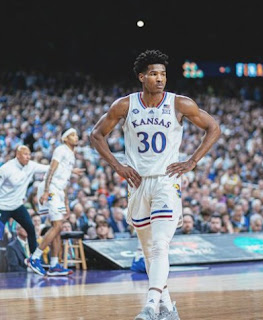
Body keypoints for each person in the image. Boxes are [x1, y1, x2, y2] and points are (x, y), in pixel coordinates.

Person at [90, 49, 220, 320]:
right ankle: (168, 308)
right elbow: (96, 135)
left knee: (160, 245)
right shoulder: (125, 105)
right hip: (137, 184)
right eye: (153, 74)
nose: (159, 79)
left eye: (162, 74)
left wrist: (192, 161)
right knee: (150, 250)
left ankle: (150, 305)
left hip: (166, 181)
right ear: (141, 76)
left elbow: (213, 127)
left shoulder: (180, 103)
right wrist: (118, 167)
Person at [28, 128, 85, 276]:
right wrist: (46, 190)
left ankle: (54, 265)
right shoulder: (61, 149)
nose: (76, 136)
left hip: (58, 190)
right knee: (58, 225)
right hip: (51, 187)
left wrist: (66, 202)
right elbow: (51, 171)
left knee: (57, 227)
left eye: (76, 134)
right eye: (72, 135)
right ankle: (34, 258)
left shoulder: (71, 155)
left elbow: (64, 179)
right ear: (65, 139)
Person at [0, 145, 49, 256]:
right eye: (25, 154)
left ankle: (34, 259)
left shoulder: (31, 166)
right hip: (2, 206)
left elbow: (48, 168)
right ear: (18, 155)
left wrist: (68, 169)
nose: (28, 157)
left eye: (29, 154)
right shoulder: (6, 169)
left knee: (31, 229)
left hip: (17, 206)